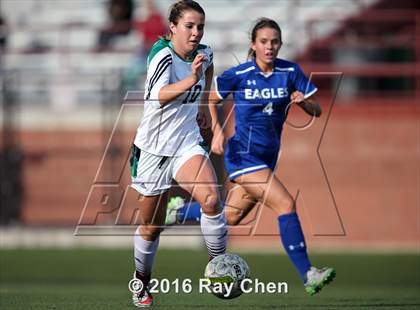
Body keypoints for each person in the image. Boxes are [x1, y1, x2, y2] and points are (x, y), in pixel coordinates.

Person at [165, 17, 335, 296]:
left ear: (280, 44)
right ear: (254, 45)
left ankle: (179, 211)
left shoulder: (290, 71)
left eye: (275, 42)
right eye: (264, 41)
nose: (270, 47)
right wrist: (218, 132)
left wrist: (305, 103)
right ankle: (308, 273)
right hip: (242, 155)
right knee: (285, 203)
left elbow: (317, 111)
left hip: (267, 158)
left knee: (230, 218)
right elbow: (211, 98)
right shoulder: (240, 73)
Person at [129, 1, 227, 307]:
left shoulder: (205, 54)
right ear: (173, 27)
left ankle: (219, 267)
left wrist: (201, 106)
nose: (196, 32)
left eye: (200, 27)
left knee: (211, 199)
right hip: (154, 151)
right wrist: (192, 80)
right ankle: (141, 282)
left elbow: (208, 67)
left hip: (186, 144)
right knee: (151, 227)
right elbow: (158, 96)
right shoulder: (162, 54)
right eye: (189, 26)